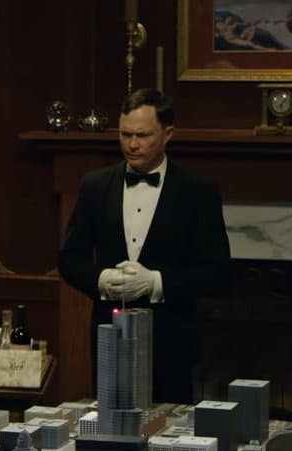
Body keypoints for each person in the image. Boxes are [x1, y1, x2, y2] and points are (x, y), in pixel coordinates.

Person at [57, 88, 231, 405]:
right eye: (125, 135)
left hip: (172, 342)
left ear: (168, 134)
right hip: (110, 337)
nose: (132, 144)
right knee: (111, 426)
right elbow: (69, 260)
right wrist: (101, 279)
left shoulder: (198, 192)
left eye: (142, 135)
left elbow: (217, 272)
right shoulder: (95, 186)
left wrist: (156, 282)